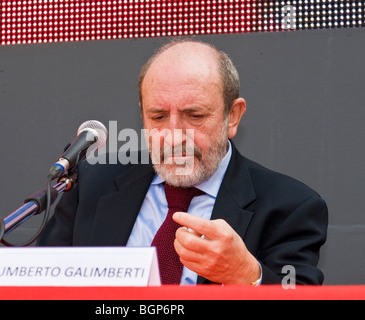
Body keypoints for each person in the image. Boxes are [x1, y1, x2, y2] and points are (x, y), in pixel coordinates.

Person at [38, 39, 328, 285]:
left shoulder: (290, 206)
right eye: (158, 117)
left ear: (233, 116)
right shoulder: (93, 183)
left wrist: (248, 276)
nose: (173, 136)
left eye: (195, 116)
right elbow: (40, 280)